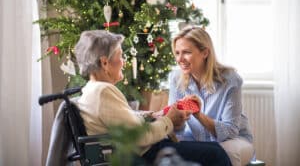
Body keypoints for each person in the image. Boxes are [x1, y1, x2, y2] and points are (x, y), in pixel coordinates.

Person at [74, 30, 232, 166]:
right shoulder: (103, 91)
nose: (123, 62)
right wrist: (169, 120)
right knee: (216, 154)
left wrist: (154, 115)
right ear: (104, 62)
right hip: (142, 155)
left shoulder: (92, 89)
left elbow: (122, 120)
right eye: (120, 56)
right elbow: (140, 137)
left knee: (213, 151)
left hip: (140, 151)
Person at [168, 26, 254, 166]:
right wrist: (175, 117)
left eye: (186, 52)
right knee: (172, 151)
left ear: (205, 53)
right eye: (177, 53)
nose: (180, 59)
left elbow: (230, 131)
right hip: (195, 138)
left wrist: (198, 114)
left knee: (224, 154)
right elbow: (175, 127)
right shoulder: (175, 78)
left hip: (234, 140)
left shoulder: (231, 80)